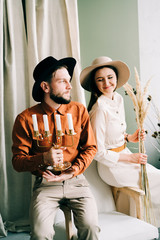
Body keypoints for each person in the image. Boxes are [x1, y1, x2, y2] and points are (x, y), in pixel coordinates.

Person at [12, 56, 100, 240]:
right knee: (39, 234)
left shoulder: (79, 111)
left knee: (91, 227)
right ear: (45, 87)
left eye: (69, 81)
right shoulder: (25, 119)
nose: (70, 86)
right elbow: (17, 162)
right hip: (45, 184)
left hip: (77, 181)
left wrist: (74, 170)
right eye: (62, 81)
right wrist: (43, 159)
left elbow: (91, 147)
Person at [80, 56, 160, 227]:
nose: (106, 83)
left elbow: (114, 135)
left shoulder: (118, 99)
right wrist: (130, 159)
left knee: (157, 176)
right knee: (156, 180)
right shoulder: (99, 109)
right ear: (95, 84)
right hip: (112, 167)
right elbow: (98, 151)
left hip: (125, 156)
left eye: (110, 77)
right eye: (100, 80)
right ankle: (150, 225)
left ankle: (150, 225)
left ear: (116, 78)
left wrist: (129, 138)